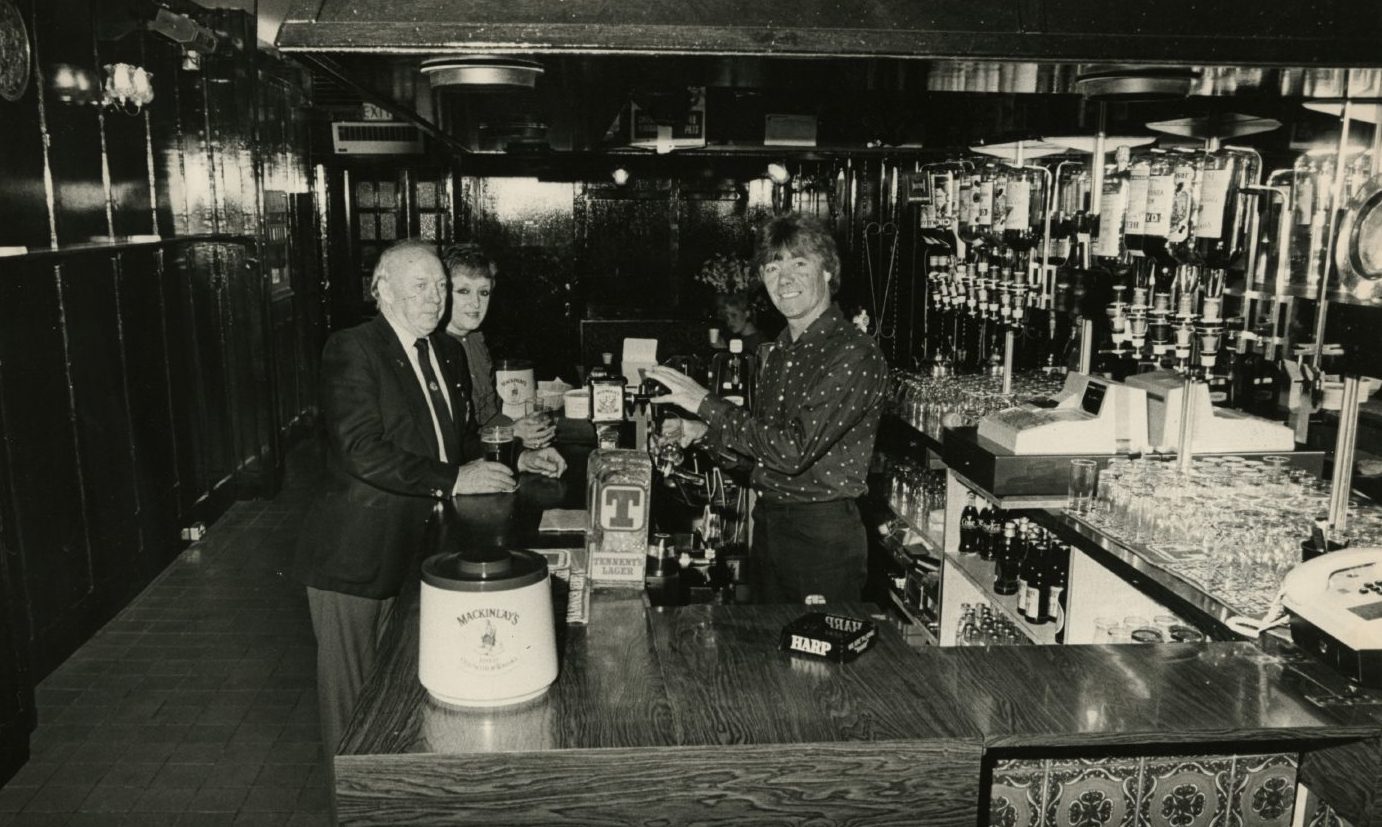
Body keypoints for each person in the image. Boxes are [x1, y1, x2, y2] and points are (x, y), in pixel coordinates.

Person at [294, 239, 565, 757]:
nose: (435, 297)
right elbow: (361, 450)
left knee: (400, 697)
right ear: (382, 291)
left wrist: (516, 459)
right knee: (351, 709)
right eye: (420, 285)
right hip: (355, 554)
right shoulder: (353, 347)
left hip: (419, 551)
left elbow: (457, 444)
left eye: (440, 285)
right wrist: (455, 479)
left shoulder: (445, 351)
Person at [646, 215, 887, 604]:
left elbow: (792, 452)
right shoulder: (779, 351)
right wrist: (701, 434)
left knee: (817, 658)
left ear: (827, 270)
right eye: (773, 268)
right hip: (770, 526)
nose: (784, 279)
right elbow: (763, 456)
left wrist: (705, 402)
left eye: (799, 264)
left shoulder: (852, 354)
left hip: (820, 539)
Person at [441, 243, 555, 448]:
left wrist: (521, 427)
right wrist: (511, 431)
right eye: (464, 291)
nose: (475, 303)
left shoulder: (476, 340)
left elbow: (489, 417)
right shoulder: (435, 347)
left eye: (483, 293)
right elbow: (450, 441)